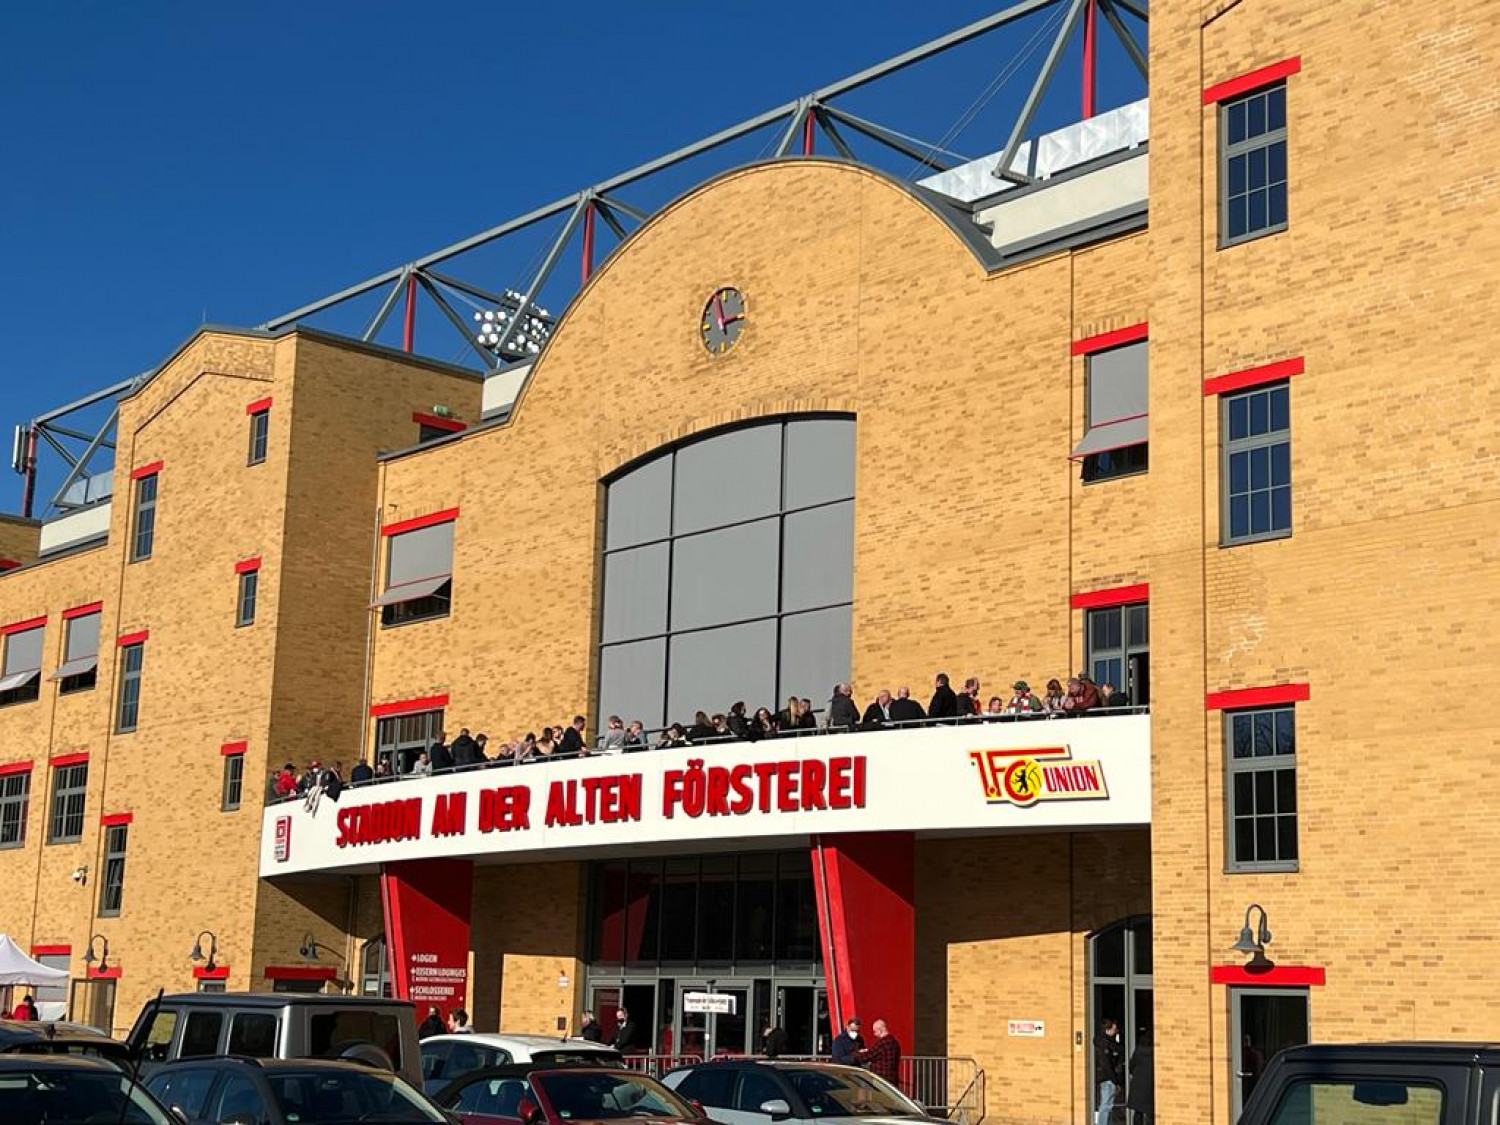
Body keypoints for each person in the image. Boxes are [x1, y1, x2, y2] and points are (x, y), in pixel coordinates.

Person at [1095, 1017, 1124, 1125]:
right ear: (1107, 1029)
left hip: (1108, 1078)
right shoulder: (1105, 1044)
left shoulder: (1107, 1042)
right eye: (1114, 1029)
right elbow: (1106, 1064)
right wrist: (1115, 1081)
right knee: (1106, 1106)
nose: (1116, 1031)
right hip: (1108, 1078)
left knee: (1108, 1106)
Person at [856, 1018, 901, 1086]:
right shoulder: (895, 1042)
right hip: (893, 1078)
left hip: (881, 1079)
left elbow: (868, 1056)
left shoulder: (881, 1043)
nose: (874, 1034)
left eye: (875, 1031)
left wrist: (859, 1053)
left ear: (880, 1030)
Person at [1127, 1029, 1154, 1125]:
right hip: (1150, 1083)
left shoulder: (1138, 1050)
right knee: (1150, 1113)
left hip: (1137, 1083)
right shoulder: (1155, 1052)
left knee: (1138, 1112)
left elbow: (1131, 1066)